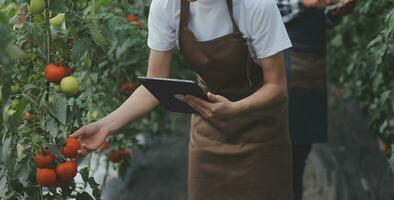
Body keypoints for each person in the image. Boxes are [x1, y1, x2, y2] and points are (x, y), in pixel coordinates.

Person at [71, 0, 293, 199]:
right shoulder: (168, 6)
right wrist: (105, 126)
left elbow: (276, 86)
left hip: (260, 131)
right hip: (209, 129)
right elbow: (153, 84)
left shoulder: (256, 6)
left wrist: (236, 109)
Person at [275, 0, 355, 199]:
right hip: (283, 63)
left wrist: (333, 12)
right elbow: (267, 8)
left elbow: (319, 15)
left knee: (300, 149)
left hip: (310, 66)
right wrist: (305, 3)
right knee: (282, 152)